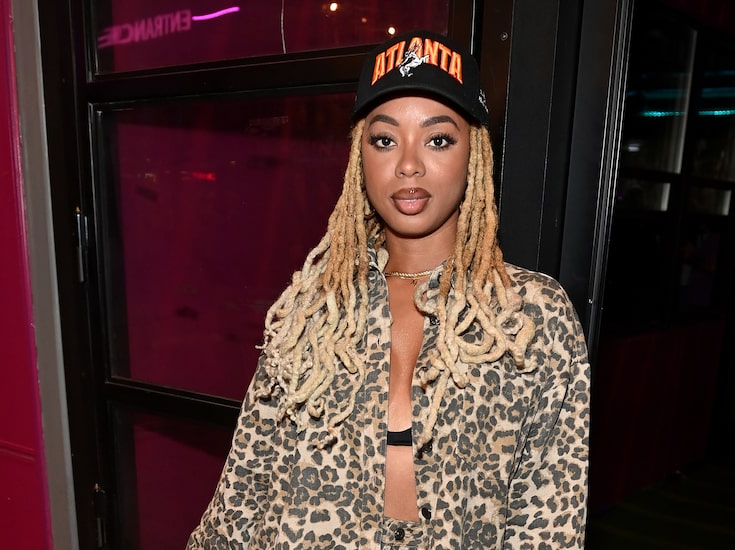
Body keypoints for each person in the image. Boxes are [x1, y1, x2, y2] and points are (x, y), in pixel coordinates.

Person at [187, 30, 590, 549]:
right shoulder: (316, 308)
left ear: (474, 154)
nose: (408, 164)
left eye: (438, 139)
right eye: (384, 140)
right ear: (360, 155)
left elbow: (549, 516)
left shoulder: (530, 315)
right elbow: (245, 488)